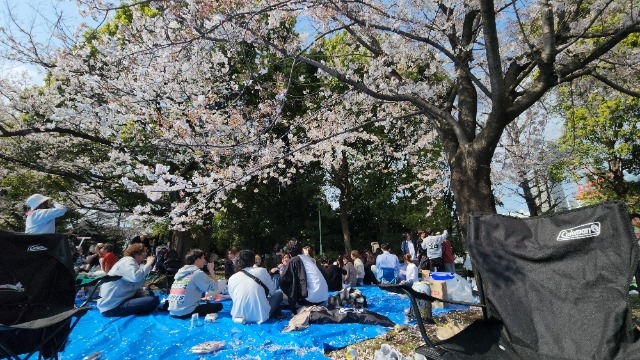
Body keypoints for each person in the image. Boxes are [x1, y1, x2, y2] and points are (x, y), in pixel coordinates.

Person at [97, 243, 159, 317]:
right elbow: (136, 277)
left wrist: (143, 293)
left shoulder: (134, 264)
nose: (146, 254)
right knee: (153, 301)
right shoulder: (127, 261)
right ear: (137, 253)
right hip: (112, 306)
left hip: (122, 298)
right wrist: (149, 264)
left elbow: (135, 286)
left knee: (150, 294)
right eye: (144, 251)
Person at [228, 250, 283, 323]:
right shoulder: (262, 271)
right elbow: (272, 291)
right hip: (261, 316)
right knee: (279, 293)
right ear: (253, 260)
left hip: (238, 316)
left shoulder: (232, 278)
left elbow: (233, 297)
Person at [168, 249, 223, 318]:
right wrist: (211, 270)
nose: (205, 261)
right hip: (185, 312)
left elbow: (185, 291)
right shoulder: (197, 273)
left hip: (172, 311)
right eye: (203, 258)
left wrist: (200, 299)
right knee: (219, 306)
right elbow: (214, 287)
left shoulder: (181, 273)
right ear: (197, 259)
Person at [279, 239, 328, 314]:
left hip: (311, 299)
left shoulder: (294, 260)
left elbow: (283, 280)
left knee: (280, 296)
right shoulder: (308, 258)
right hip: (323, 297)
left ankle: (301, 306)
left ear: (290, 252)